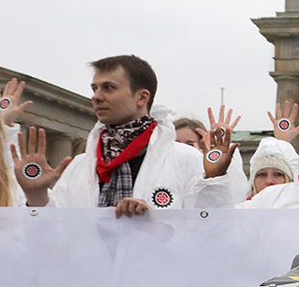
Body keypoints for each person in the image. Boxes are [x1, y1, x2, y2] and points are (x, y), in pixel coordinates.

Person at [13, 55, 236, 216]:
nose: (96, 97)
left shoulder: (184, 159)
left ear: (141, 97)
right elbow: (54, 245)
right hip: (93, 281)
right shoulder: (80, 167)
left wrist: (156, 228)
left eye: (109, 88)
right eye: (94, 88)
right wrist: (37, 197)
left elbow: (214, 235)